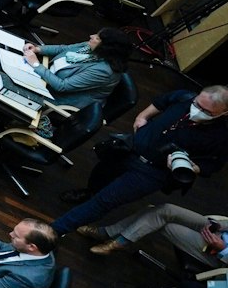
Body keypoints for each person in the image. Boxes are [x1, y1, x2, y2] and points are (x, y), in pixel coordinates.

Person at [53, 85, 228, 235]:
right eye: (197, 104)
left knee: (104, 201)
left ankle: (56, 230)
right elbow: (161, 102)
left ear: (224, 112)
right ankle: (89, 192)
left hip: (153, 172)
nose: (197, 110)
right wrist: (142, 116)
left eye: (206, 111)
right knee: (101, 173)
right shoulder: (184, 97)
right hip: (130, 149)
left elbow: (210, 166)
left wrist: (189, 166)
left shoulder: (222, 137)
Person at [23, 29, 130, 113]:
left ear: (106, 48)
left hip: (59, 99)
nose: (91, 36)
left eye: (97, 38)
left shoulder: (103, 71)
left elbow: (62, 86)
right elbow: (63, 49)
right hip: (48, 78)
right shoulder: (90, 46)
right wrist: (38, 49)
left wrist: (36, 64)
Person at [87, 201, 226, 264]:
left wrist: (223, 249)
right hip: (219, 229)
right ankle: (113, 238)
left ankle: (111, 237)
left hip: (216, 252)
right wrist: (222, 225)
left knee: (158, 221)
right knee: (165, 209)